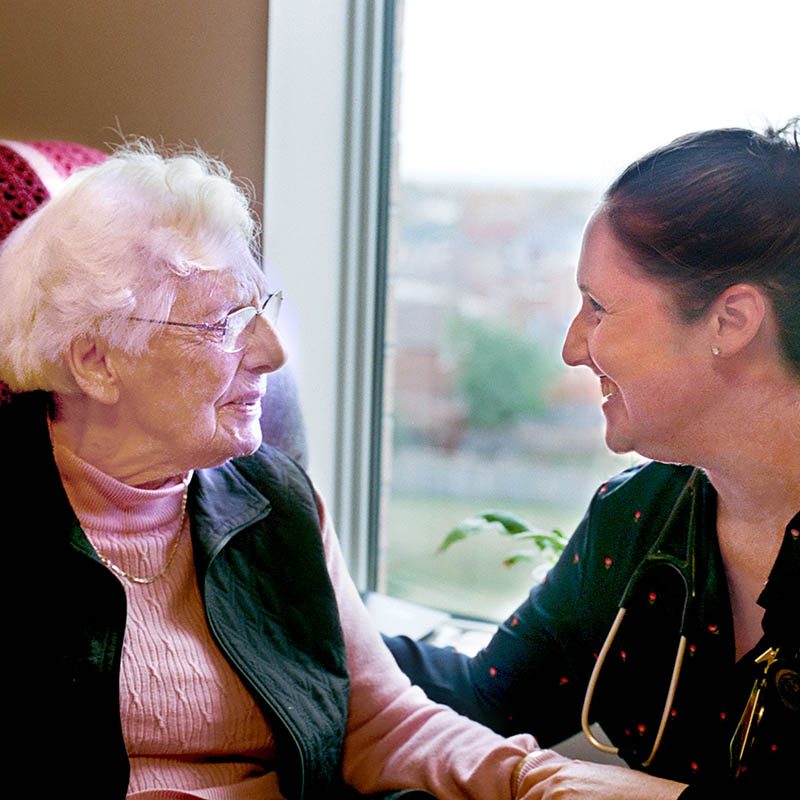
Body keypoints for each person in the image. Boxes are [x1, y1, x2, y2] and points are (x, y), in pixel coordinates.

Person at [0, 140, 570, 800]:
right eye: (223, 323)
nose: (270, 352)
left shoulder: (275, 502)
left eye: (262, 310)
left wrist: (546, 782)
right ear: (96, 361)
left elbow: (381, 725)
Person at [386, 120, 800, 798]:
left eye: (599, 308)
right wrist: (307, 603)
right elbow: (489, 702)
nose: (573, 348)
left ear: (731, 321)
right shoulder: (640, 520)